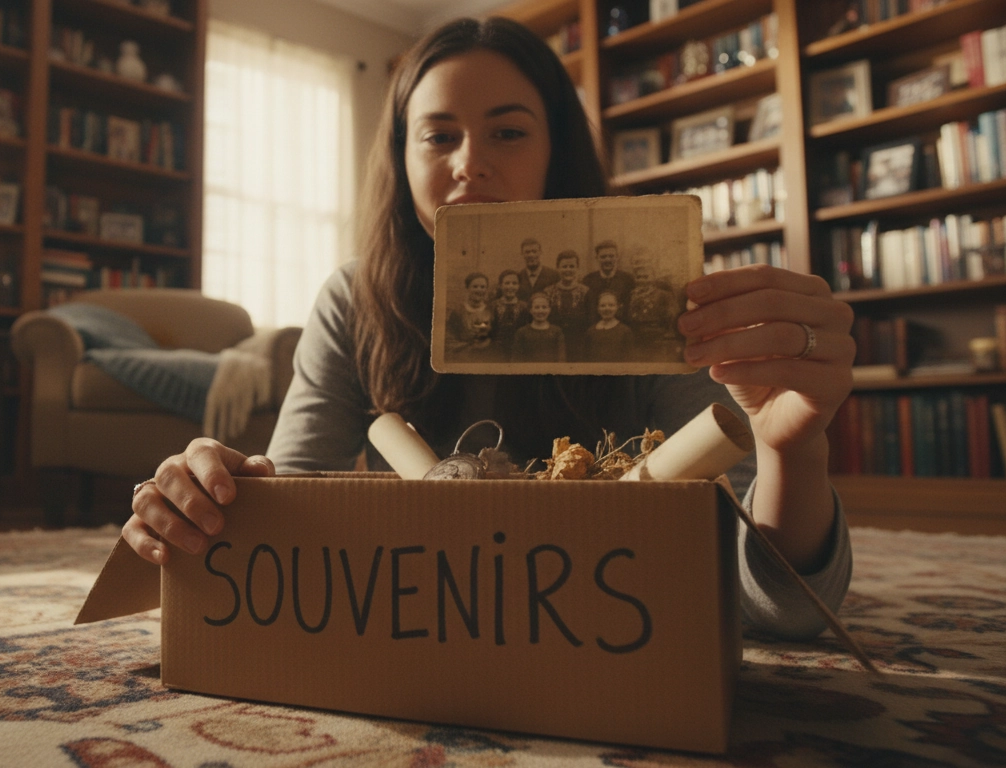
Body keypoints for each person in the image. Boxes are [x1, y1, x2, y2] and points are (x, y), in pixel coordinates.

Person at [125, 17, 856, 640]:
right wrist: (213, 494)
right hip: (426, 618)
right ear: (401, 159)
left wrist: (794, 451)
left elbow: (779, 608)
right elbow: (286, 522)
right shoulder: (355, 298)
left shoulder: (646, 296)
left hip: (606, 618)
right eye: (438, 137)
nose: (470, 164)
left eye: (508, 132)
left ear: (555, 151)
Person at [542, 250, 589, 360]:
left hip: (578, 344)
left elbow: (589, 320)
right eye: (564, 266)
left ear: (577, 268)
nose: (568, 270)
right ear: (558, 268)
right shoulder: (548, 292)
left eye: (572, 266)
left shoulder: (586, 292)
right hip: (552, 343)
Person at [582, 240, 635, 323]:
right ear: (597, 258)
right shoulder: (588, 280)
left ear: (617, 257)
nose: (607, 259)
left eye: (611, 256)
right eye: (603, 257)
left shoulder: (628, 279)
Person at [444, 272, 493, 359]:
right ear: (467, 288)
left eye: (483, 287)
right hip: (464, 356)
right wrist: (469, 347)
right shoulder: (458, 312)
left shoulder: (492, 310)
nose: (479, 290)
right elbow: (450, 338)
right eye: (475, 286)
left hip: (488, 356)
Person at [510, 292, 566, 363]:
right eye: (536, 307)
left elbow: (561, 360)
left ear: (549, 309)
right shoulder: (522, 332)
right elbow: (516, 360)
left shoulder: (557, 332)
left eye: (544, 307)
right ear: (530, 310)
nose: (540, 311)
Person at [585, 290, 634, 362]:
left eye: (611, 305)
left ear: (617, 307)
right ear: (598, 309)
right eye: (602, 306)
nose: (607, 308)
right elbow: (586, 359)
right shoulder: (591, 331)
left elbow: (629, 359)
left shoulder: (625, 331)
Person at [491, 269, 528, 355]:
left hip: (518, 349)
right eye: (507, 283)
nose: (510, 286)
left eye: (514, 283)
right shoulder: (493, 306)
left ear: (519, 285)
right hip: (496, 349)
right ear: (500, 285)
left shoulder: (524, 307)